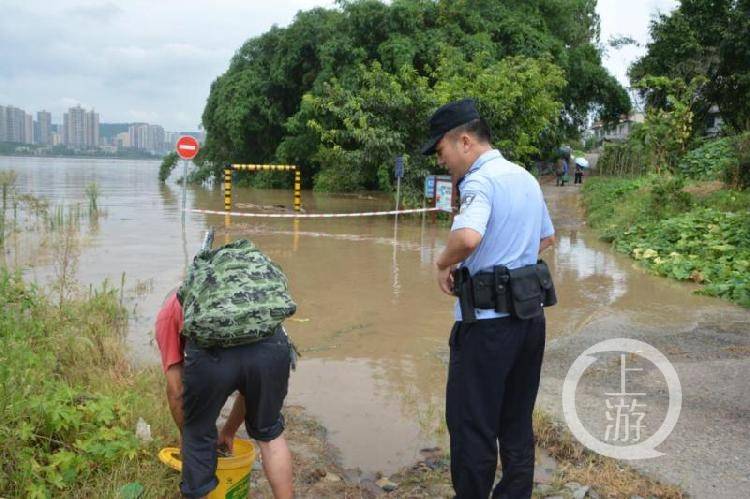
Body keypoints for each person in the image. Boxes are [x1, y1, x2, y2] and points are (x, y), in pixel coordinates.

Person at [421, 99, 556, 499]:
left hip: (486, 328)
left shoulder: (479, 181)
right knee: (515, 422)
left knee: (472, 425)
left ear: (464, 141)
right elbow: (546, 238)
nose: (441, 161)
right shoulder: (525, 178)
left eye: (441, 150)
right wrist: (510, 265)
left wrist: (443, 263)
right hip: (529, 321)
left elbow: (467, 238)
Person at [155, 289, 294, 499]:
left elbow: (176, 391)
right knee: (269, 432)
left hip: (213, 357)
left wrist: (189, 435)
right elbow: (249, 386)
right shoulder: (246, 293)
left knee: (198, 437)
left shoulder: (169, 312)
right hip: (273, 348)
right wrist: (228, 431)